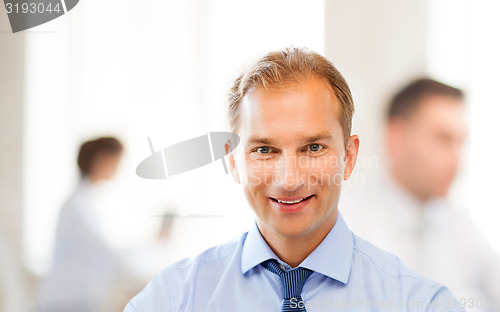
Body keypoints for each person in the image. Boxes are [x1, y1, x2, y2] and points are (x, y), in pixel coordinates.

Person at [124, 48, 464, 311]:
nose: (289, 179)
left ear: (349, 157)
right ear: (234, 163)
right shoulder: (169, 300)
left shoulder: (420, 303)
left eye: (313, 147)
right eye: (265, 150)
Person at [341, 79, 500, 312]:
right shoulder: (347, 223)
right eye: (443, 139)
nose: (457, 160)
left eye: (461, 142)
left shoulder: (461, 225)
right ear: (396, 139)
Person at [38, 137, 126, 312]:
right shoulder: (75, 207)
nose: (118, 168)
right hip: (67, 301)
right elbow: (105, 253)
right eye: (116, 161)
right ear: (102, 159)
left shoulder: (88, 202)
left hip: (80, 299)